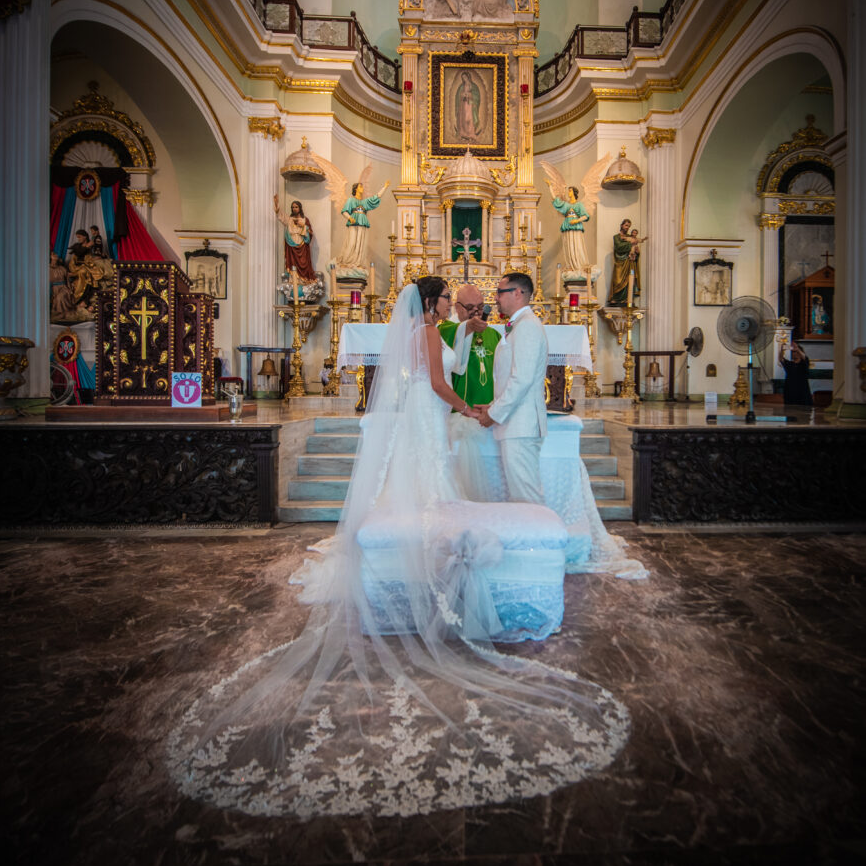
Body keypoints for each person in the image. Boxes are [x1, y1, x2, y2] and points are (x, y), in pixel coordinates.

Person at [166, 276, 630, 819]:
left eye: (490, 297)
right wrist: (469, 407)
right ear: (435, 303)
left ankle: (426, 554)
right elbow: (441, 380)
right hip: (437, 417)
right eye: (449, 302)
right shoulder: (432, 333)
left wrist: (475, 379)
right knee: (436, 486)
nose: (460, 307)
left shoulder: (427, 330)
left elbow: (465, 371)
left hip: (439, 423)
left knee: (427, 484)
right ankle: (483, 558)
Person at [475, 272, 548, 503]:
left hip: (521, 426)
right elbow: (511, 378)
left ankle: (538, 538)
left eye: (499, 292)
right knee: (521, 495)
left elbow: (522, 379)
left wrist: (494, 414)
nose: (495, 298)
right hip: (516, 424)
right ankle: (530, 537)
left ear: (518, 293)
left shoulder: (527, 326)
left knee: (526, 497)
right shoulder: (519, 325)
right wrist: (494, 405)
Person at [437, 283, 500, 408]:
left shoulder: (493, 335)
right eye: (470, 307)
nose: (476, 312)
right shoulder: (445, 330)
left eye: (481, 307)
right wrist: (469, 326)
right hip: (459, 409)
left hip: (489, 408)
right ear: (457, 307)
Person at [334, 177, 389, 273]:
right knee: (352, 242)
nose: (362, 188)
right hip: (354, 222)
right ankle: (348, 261)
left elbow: (376, 197)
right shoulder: (351, 200)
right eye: (360, 186)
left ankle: (357, 262)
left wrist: (385, 187)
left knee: (361, 243)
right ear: (356, 189)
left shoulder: (364, 202)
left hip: (362, 222)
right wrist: (350, 218)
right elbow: (344, 211)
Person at [273, 195, 316, 282]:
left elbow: (310, 232)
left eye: (296, 207)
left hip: (302, 246)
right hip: (291, 246)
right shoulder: (289, 219)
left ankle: (304, 280)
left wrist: (303, 226)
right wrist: (276, 204)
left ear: (300, 208)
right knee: (293, 264)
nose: (294, 209)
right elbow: (280, 215)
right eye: (293, 207)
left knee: (304, 262)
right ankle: (294, 280)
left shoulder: (305, 220)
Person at [551, 185, 590, 275]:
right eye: (568, 191)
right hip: (568, 226)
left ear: (574, 193)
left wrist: (577, 220)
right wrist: (550, 186)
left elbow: (585, 216)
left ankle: (578, 265)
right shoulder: (567, 205)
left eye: (570, 191)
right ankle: (571, 266)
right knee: (568, 246)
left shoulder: (579, 204)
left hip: (576, 227)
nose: (568, 193)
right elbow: (555, 200)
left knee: (576, 245)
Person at [607, 219, 640, 305]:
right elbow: (619, 247)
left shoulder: (631, 237)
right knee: (617, 280)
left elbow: (635, 249)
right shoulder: (616, 237)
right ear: (621, 225)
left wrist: (637, 252)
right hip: (620, 262)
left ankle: (627, 299)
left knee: (629, 280)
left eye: (629, 226)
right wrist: (630, 244)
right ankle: (616, 298)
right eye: (626, 225)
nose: (627, 227)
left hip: (629, 262)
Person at [779, 339, 813, 406]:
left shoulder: (804, 363)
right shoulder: (790, 364)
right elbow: (781, 359)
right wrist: (782, 350)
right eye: (793, 352)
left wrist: (797, 349)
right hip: (790, 389)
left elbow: (805, 358)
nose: (795, 354)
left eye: (796, 352)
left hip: (801, 389)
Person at [455, 70, 480, 143]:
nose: (464, 79)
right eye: (463, 78)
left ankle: (470, 134)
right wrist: (462, 95)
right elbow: (458, 96)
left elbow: (477, 96)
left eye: (465, 77)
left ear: (468, 77)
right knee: (463, 118)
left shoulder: (473, 86)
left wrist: (469, 95)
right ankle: (463, 134)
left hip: (470, 105)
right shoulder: (461, 87)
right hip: (463, 104)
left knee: (469, 119)